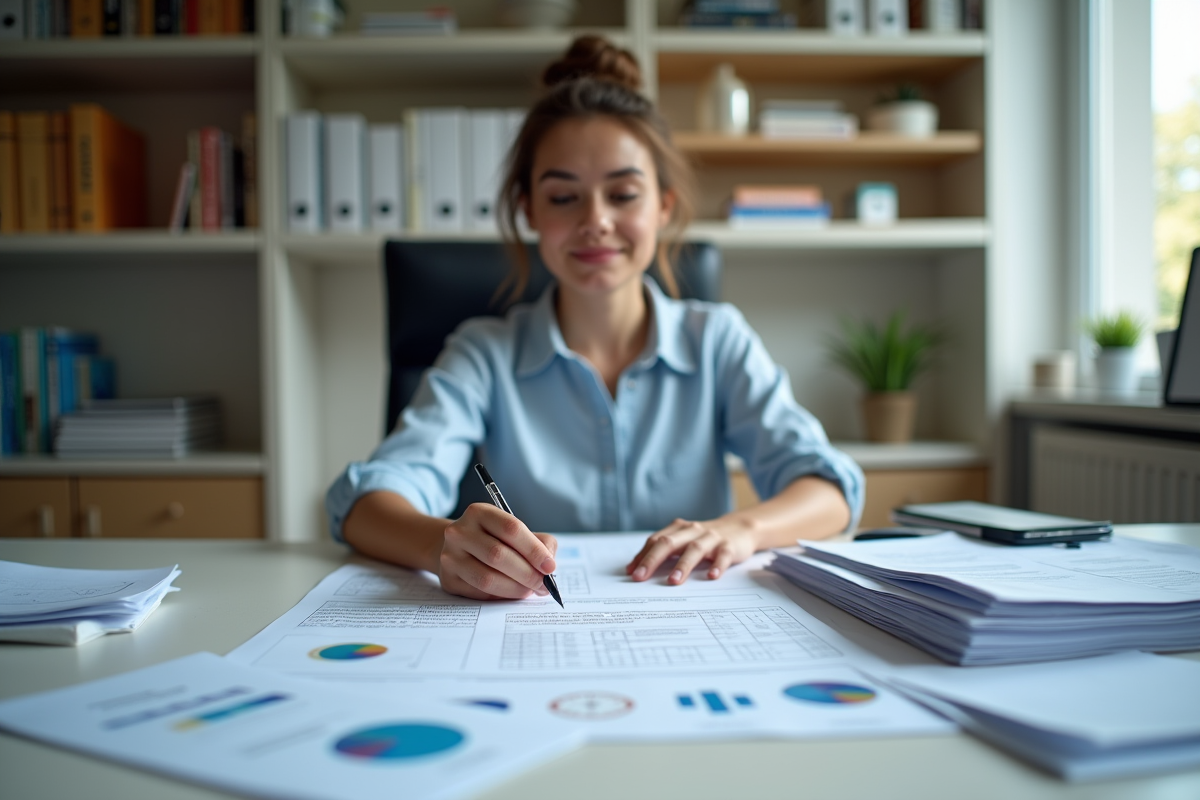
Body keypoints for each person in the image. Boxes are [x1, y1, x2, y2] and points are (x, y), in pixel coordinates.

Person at [326, 36, 864, 601]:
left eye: (624, 194)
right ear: (528, 208)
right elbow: (364, 503)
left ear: (663, 205)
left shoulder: (717, 341)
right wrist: (444, 544)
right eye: (564, 198)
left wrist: (743, 528)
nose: (596, 221)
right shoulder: (483, 354)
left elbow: (830, 488)